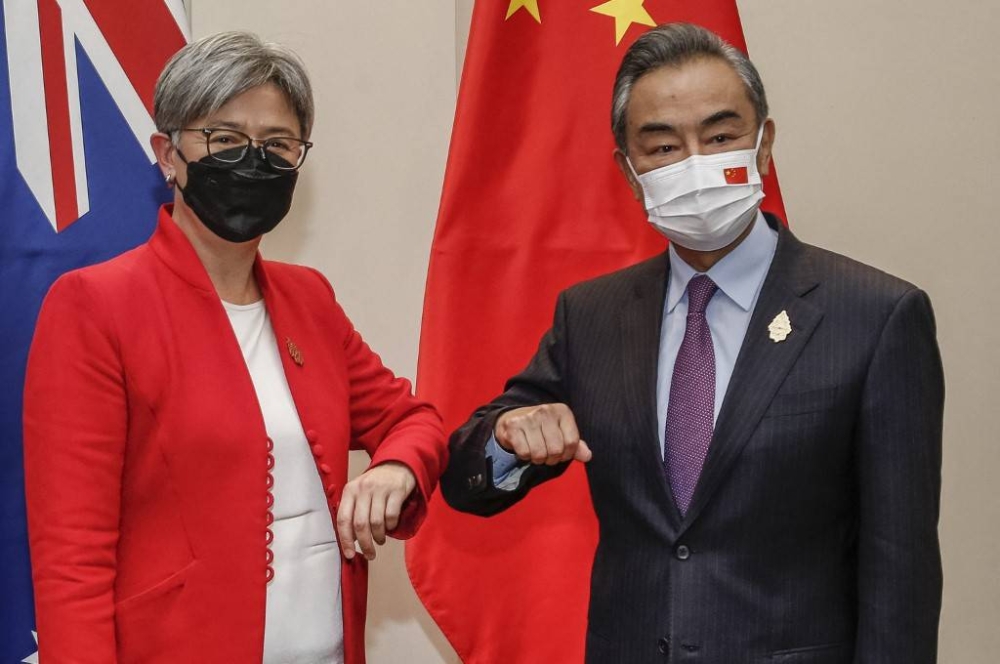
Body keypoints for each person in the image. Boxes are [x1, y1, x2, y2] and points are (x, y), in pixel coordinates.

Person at [441, 22, 943, 663]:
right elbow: (466, 481)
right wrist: (508, 437)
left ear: (764, 145)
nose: (696, 164)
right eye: (663, 147)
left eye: (721, 137)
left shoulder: (875, 317)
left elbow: (900, 569)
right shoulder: (592, 315)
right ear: (630, 172)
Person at [23, 32, 447, 664]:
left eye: (278, 145)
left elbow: (413, 419)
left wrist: (396, 467)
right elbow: (71, 562)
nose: (254, 162)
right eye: (225, 140)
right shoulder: (94, 305)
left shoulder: (309, 299)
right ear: (168, 155)